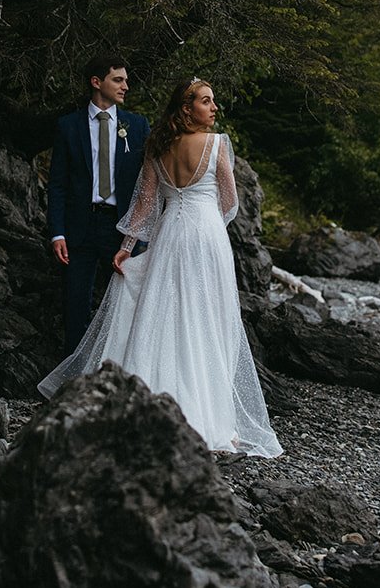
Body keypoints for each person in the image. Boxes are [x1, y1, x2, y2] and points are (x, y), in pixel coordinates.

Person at [39, 77, 282, 458]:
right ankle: (215, 419)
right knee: (210, 320)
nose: (214, 107)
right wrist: (208, 225)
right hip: (207, 236)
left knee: (166, 314)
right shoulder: (217, 143)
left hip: (170, 234)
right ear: (188, 108)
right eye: (206, 101)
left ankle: (153, 399)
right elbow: (230, 203)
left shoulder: (156, 146)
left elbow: (145, 205)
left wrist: (126, 247)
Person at [47, 54, 151, 356]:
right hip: (79, 226)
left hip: (121, 228)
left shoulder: (136, 125)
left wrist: (138, 233)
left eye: (126, 80)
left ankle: (119, 376)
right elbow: (58, 184)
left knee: (124, 306)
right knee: (75, 305)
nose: (125, 86)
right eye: (118, 80)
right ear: (97, 82)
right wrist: (57, 233)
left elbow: (147, 184)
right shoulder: (68, 126)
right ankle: (73, 383)